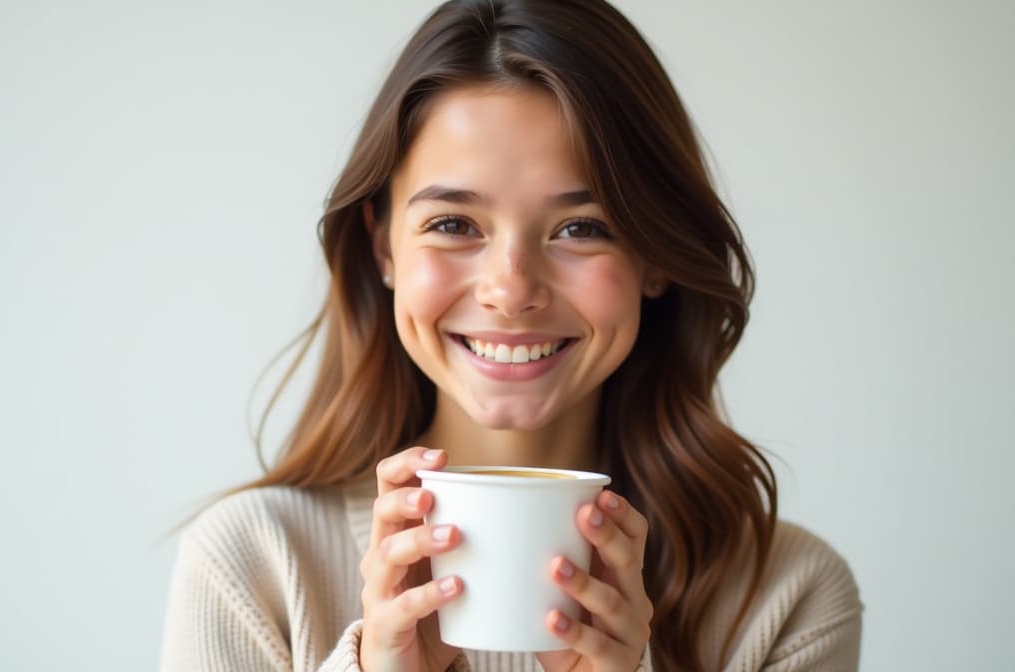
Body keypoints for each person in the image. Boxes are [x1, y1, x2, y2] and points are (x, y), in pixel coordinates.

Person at [159, 1, 863, 670]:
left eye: (582, 228)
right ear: (383, 249)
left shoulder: (787, 599)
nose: (510, 289)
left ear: (655, 256)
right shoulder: (251, 564)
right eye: (453, 225)